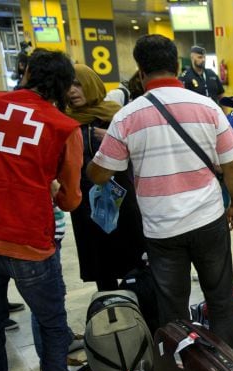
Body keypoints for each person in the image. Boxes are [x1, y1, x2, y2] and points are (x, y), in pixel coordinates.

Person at [87, 35, 233, 354]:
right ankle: (229, 362)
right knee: (219, 295)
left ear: (141, 71)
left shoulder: (127, 117)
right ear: (177, 66)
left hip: (162, 229)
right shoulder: (207, 107)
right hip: (208, 220)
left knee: (172, 304)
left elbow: (100, 173)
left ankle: (181, 366)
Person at [0, 49, 84, 371]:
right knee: (52, 322)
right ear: (63, 85)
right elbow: (69, 200)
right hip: (30, 241)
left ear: (26, 72)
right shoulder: (62, 127)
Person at [66, 64, 146, 292]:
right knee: (102, 268)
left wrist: (115, 137)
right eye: (69, 86)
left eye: (78, 84)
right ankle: (110, 316)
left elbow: (141, 152)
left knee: (135, 264)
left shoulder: (117, 115)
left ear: (91, 85)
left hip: (123, 200)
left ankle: (138, 316)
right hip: (86, 206)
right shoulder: (64, 121)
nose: (72, 91)